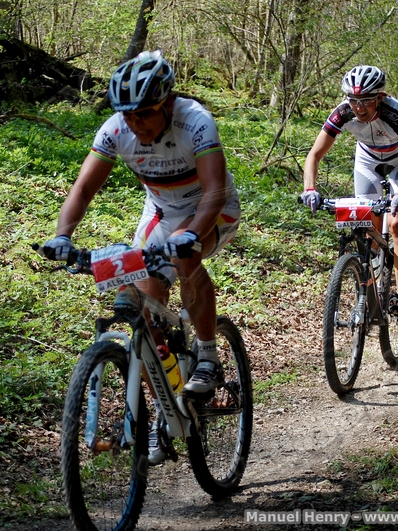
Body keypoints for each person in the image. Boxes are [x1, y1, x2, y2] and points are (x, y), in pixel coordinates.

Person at [39, 50, 241, 464]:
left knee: (186, 254)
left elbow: (215, 190)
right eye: (127, 114)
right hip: (161, 213)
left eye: (145, 113)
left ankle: (207, 354)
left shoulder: (195, 121)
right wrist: (63, 236)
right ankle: (166, 414)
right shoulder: (116, 130)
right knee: (142, 315)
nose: (136, 123)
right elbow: (83, 189)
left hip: (212, 209)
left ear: (168, 102)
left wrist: (191, 234)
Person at [300, 65, 398, 316]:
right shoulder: (342, 112)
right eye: (354, 100)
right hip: (367, 160)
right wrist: (309, 189)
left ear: (380, 97)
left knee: (397, 223)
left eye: (367, 100)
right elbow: (314, 155)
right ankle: (368, 289)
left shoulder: (395, 114)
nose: (359, 107)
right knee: (365, 224)